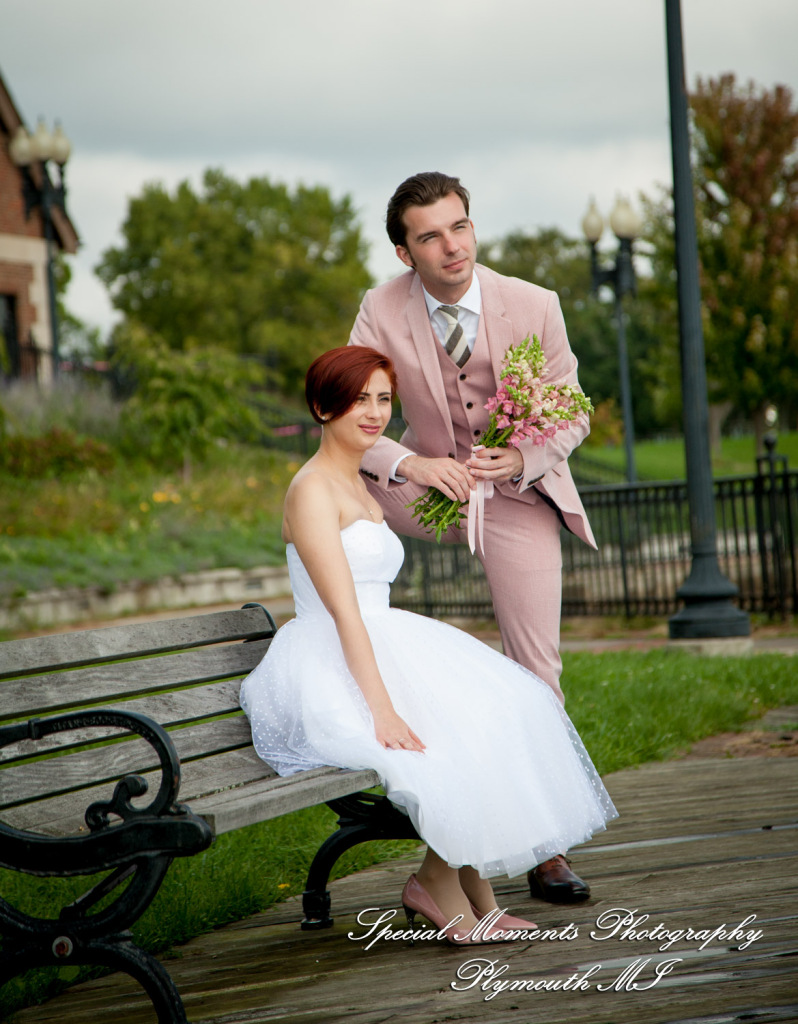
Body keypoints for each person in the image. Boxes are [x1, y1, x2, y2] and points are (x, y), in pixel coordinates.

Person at [239, 346, 617, 946]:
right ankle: (433, 887)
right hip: (335, 656)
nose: (373, 413)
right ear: (321, 406)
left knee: (505, 710)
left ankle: (477, 895)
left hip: (382, 638)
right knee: (442, 744)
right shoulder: (312, 489)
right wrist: (383, 709)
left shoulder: (360, 485)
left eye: (383, 399)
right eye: (358, 399)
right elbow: (343, 613)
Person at [349, 171, 596, 902]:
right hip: (431, 491)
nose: (451, 246)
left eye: (460, 227)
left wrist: (521, 457)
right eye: (430, 235)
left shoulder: (534, 304)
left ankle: (544, 846)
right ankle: (347, 652)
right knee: (330, 484)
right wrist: (411, 461)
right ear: (405, 252)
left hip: (514, 493)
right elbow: (348, 413)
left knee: (535, 669)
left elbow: (573, 411)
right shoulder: (380, 310)